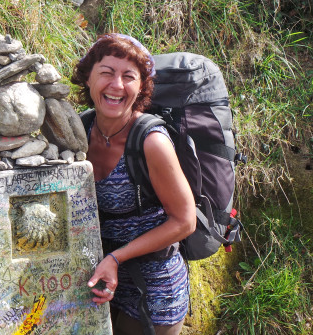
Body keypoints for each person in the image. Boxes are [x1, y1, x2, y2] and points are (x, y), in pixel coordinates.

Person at [71, 33, 196, 335]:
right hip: (95, 280)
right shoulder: (78, 130)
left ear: (141, 87)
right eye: (107, 73)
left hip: (154, 289)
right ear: (88, 78)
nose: (117, 85)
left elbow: (184, 221)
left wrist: (117, 257)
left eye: (129, 77)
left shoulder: (151, 142)